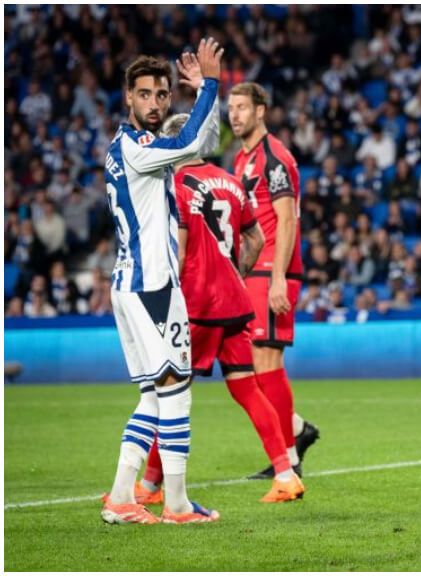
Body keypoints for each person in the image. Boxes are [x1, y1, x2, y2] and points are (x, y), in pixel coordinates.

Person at [134, 113, 304, 505]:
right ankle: (285, 473)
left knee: (170, 392)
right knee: (246, 388)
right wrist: (234, 273)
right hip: (234, 302)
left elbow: (176, 251)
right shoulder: (231, 181)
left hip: (195, 305)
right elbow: (257, 239)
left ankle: (150, 485)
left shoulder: (173, 186)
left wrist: (163, 301)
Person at [100, 39, 223, 525]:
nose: (154, 103)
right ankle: (172, 504)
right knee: (177, 387)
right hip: (150, 284)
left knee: (155, 394)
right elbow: (190, 144)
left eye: (161, 95)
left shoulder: (128, 147)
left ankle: (121, 496)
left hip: (133, 282)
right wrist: (211, 84)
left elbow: (201, 144)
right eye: (145, 94)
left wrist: (199, 99)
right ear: (128, 97)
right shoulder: (136, 146)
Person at [229, 82, 320, 480]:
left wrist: (280, 277)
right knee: (251, 366)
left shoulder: (275, 158)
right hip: (253, 272)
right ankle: (296, 432)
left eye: (242, 107)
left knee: (266, 361)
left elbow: (287, 219)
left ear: (261, 110)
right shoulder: (241, 158)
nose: (234, 114)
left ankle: (289, 459)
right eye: (230, 108)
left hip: (272, 271)